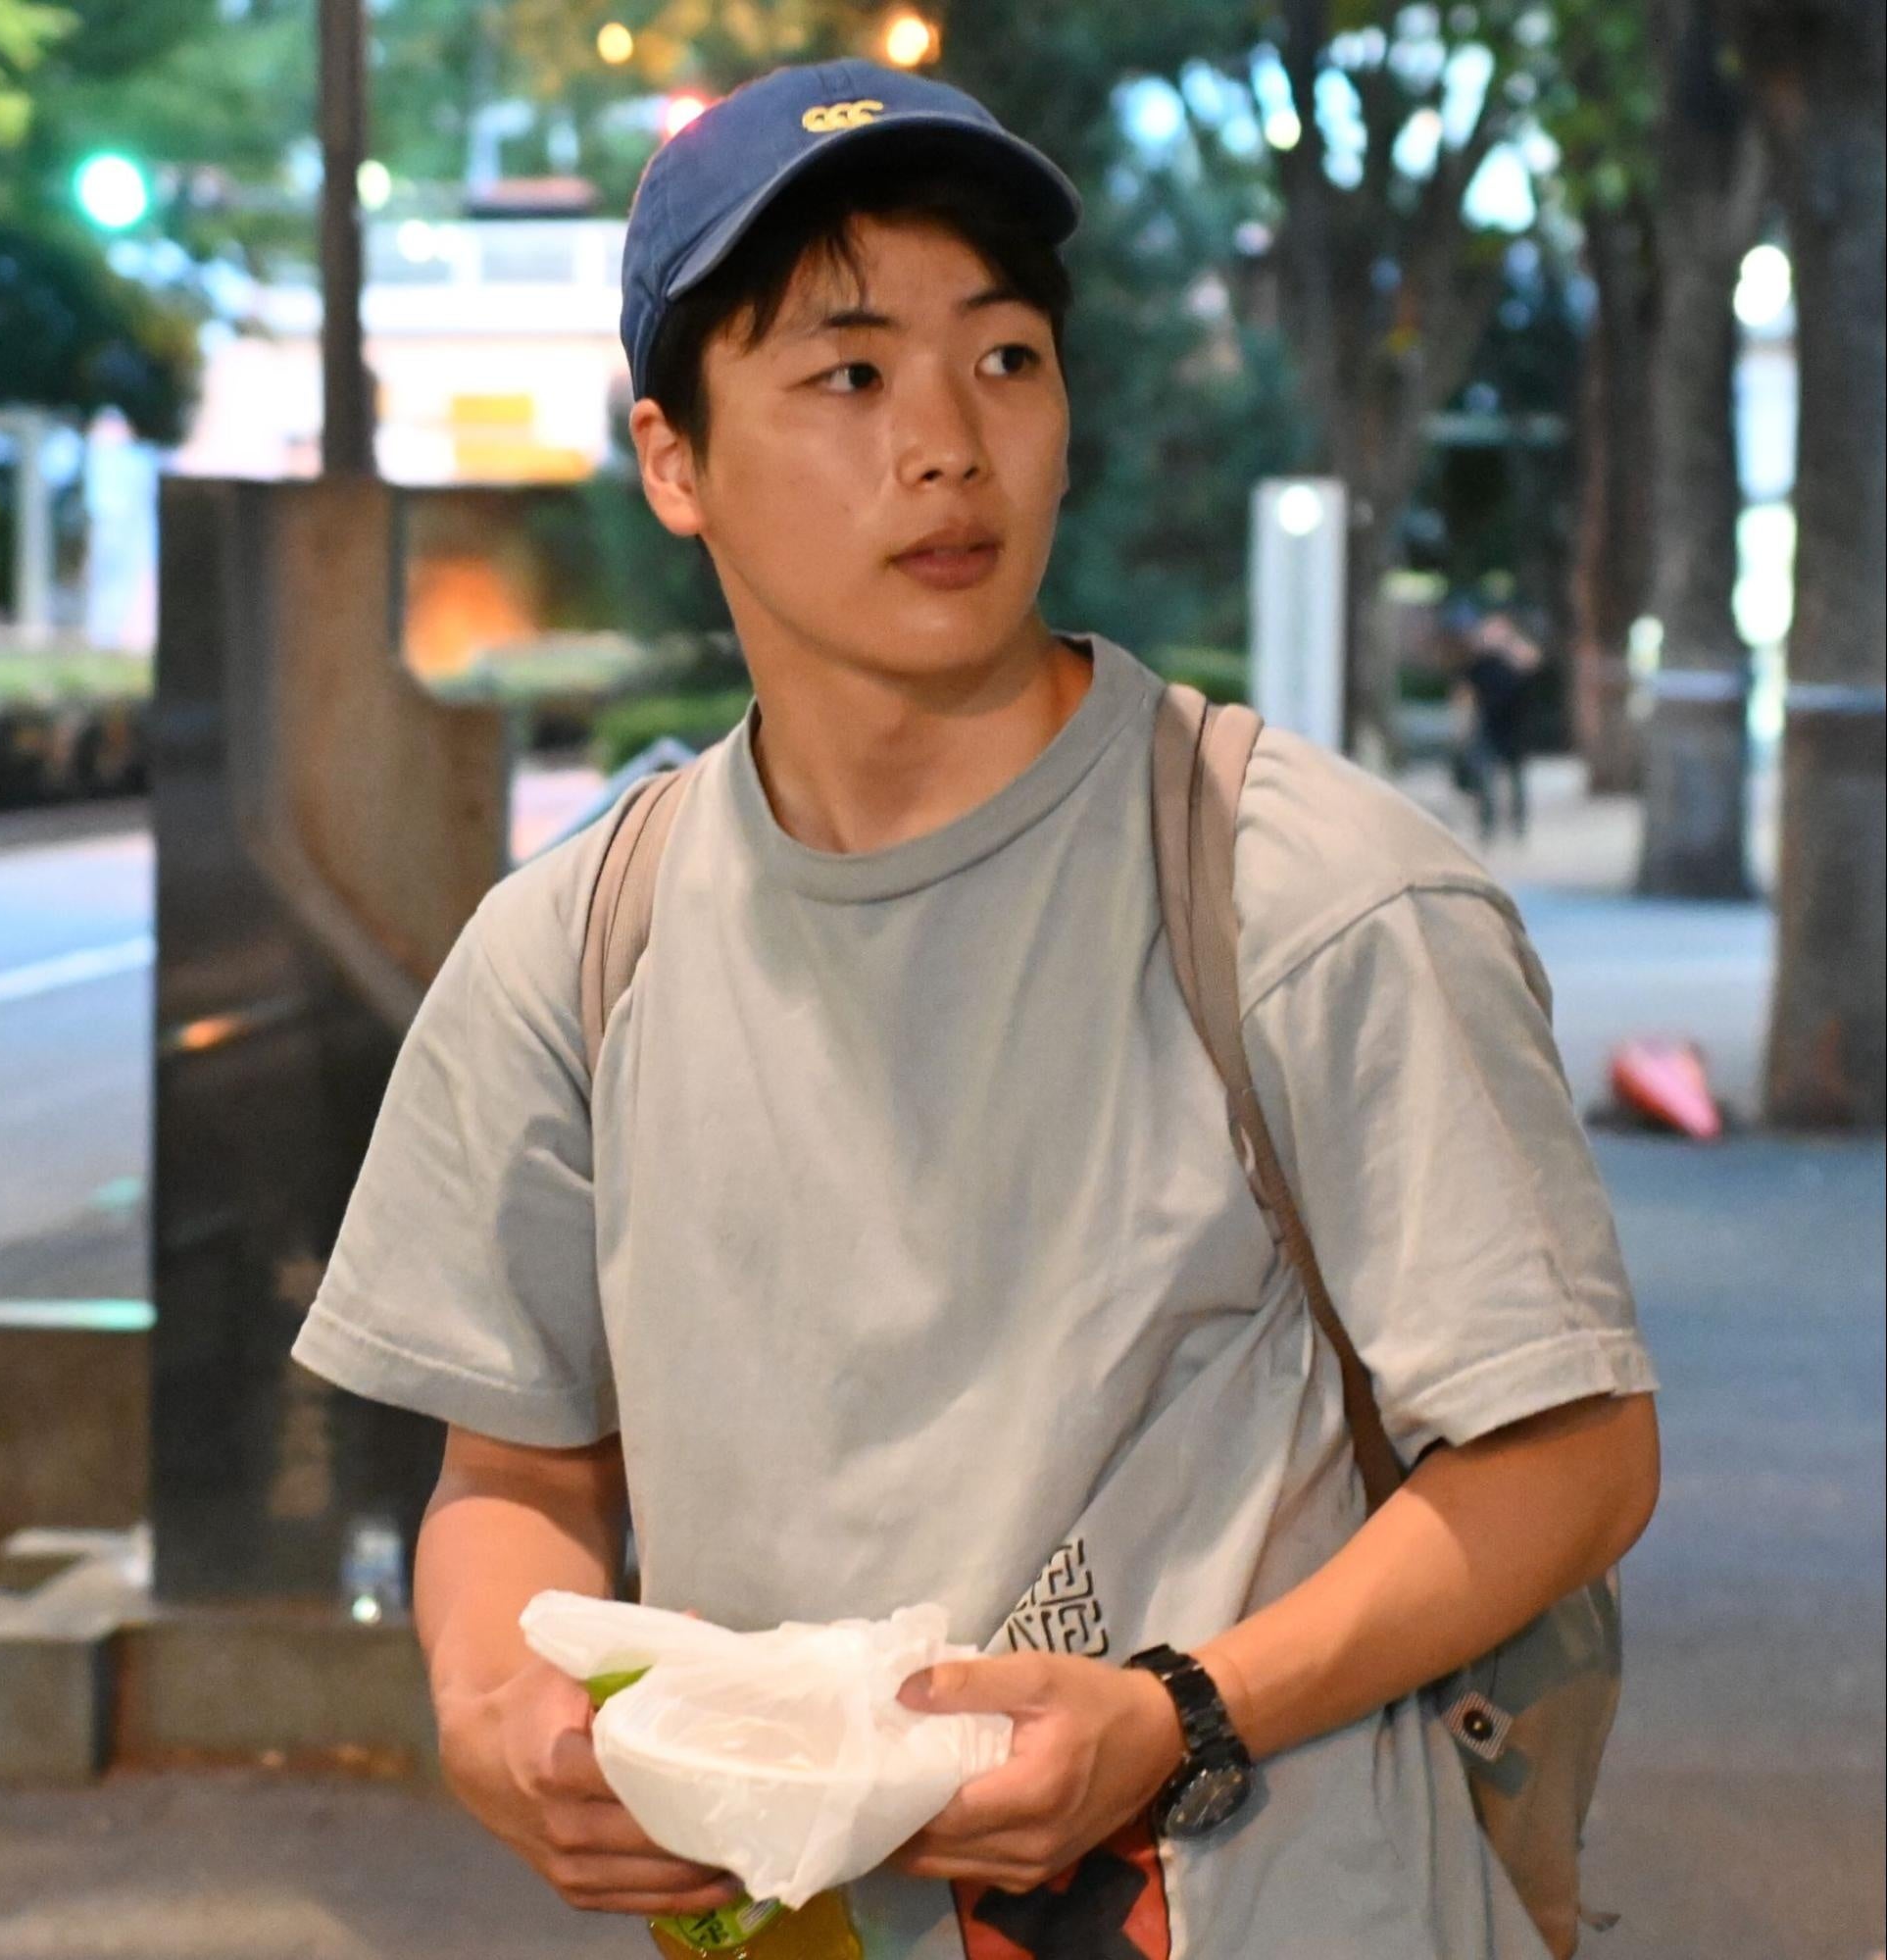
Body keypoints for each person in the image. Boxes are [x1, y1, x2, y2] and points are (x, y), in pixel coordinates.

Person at [292, 57, 1661, 1960]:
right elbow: (514, 1473)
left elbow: (1571, 1450)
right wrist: (489, 1710)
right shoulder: (574, 945)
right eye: (848, 375)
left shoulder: (1301, 892)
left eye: (1004, 357)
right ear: (673, 462)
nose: (948, 442)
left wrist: (1182, 1712)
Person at [1451, 606, 1544, 843]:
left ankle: (1518, 826)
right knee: (1486, 780)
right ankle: (1487, 826)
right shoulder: (1479, 662)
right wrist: (1462, 725)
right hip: (1487, 726)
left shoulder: (1517, 656)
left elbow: (1533, 662)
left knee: (1517, 780)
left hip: (1515, 727)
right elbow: (1464, 692)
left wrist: (1509, 648)